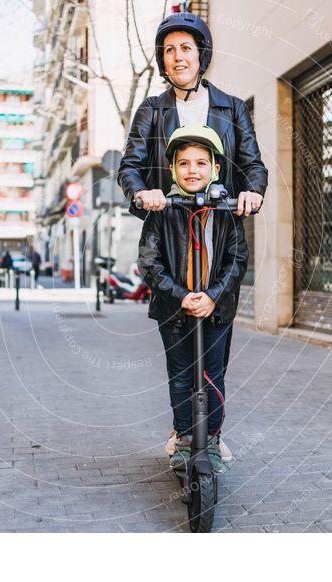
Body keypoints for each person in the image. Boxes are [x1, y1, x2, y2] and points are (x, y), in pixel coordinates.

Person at [119, 11, 268, 460]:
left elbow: (254, 165)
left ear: (201, 55)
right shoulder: (152, 109)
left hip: (218, 229)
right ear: (162, 61)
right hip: (170, 229)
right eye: (169, 50)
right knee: (179, 359)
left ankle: (214, 435)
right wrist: (142, 192)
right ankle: (182, 430)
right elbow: (129, 165)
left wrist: (253, 193)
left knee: (214, 362)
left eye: (186, 48)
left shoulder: (232, 107)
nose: (177, 57)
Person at [138, 124, 248, 474]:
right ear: (173, 170)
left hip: (217, 310)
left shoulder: (226, 210)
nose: (192, 170)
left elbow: (237, 258)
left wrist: (213, 297)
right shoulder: (163, 210)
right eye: (183, 163)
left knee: (212, 374)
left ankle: (212, 439)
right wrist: (182, 297)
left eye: (201, 163)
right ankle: (184, 437)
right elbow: (150, 262)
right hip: (174, 312)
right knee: (182, 376)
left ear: (215, 169)